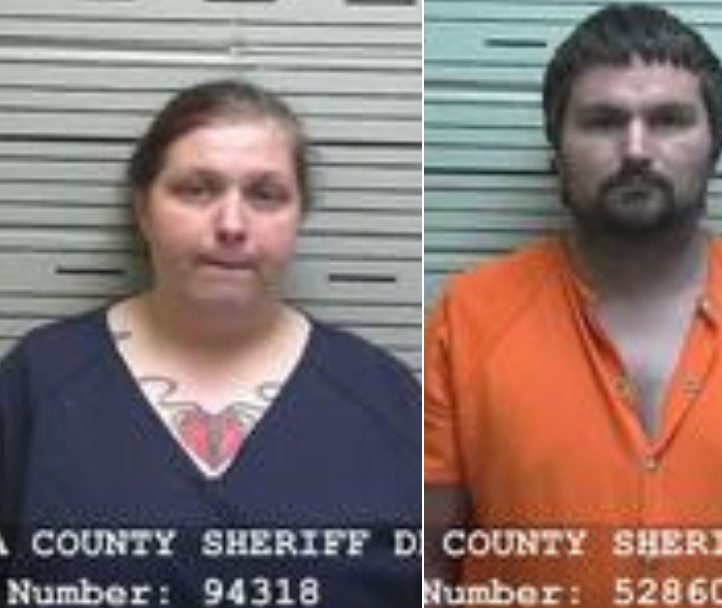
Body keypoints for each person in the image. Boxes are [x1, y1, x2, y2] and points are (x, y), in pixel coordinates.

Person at [424, 3, 722, 608]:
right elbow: (431, 558)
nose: (635, 149)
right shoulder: (470, 317)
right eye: (602, 122)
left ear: (715, 147)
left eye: (669, 120)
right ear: (557, 150)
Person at [0, 80, 421, 606]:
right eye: (197, 189)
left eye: (265, 195)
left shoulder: (383, 399)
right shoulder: (38, 385)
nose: (231, 225)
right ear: (142, 208)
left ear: (299, 217)